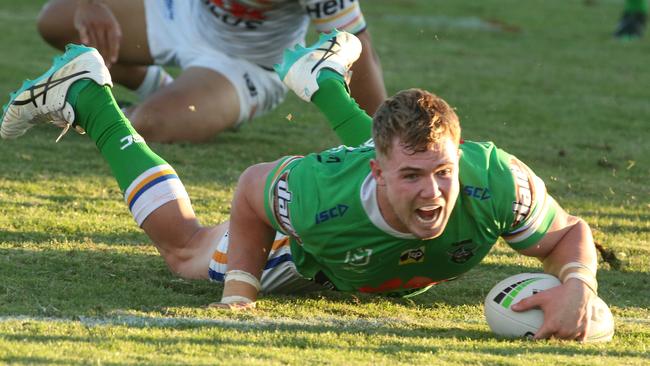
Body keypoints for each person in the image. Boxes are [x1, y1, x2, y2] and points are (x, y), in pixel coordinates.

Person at [1, 31, 603, 341]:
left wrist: (577, 287)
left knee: (402, 155)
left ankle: (318, 79)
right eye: (415, 177)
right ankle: (85, 91)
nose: (434, 192)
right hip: (309, 258)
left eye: (444, 172)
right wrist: (240, 294)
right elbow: (248, 191)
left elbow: (568, 234)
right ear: (376, 173)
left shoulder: (495, 180)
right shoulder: (319, 198)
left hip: (368, 199)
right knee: (184, 248)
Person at [35, 0, 386, 143]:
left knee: (149, 123)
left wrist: (377, 143)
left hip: (247, 65)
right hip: (181, 14)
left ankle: (190, 100)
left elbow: (357, 46)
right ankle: (157, 84)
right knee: (55, 21)